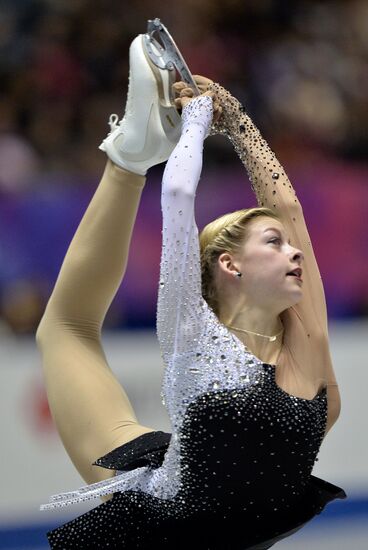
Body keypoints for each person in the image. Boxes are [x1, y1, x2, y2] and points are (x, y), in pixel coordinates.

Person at [36, 33, 346, 549]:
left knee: (68, 332)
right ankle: (129, 158)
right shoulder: (193, 330)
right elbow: (179, 194)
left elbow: (290, 211)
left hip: (230, 521)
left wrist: (238, 119)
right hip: (164, 520)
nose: (297, 253)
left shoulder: (307, 348)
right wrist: (196, 126)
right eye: (275, 244)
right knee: (67, 328)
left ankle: (132, 155)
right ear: (229, 264)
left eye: (292, 247)